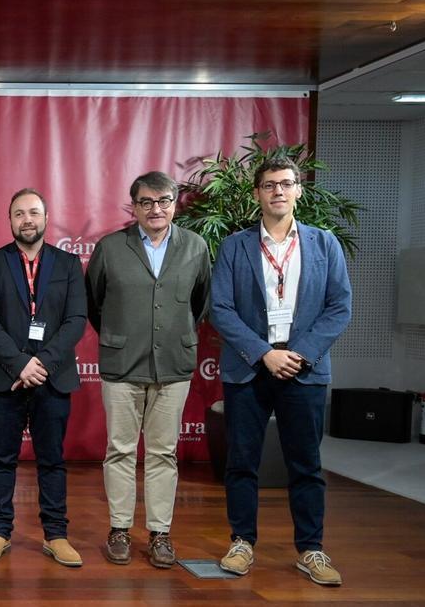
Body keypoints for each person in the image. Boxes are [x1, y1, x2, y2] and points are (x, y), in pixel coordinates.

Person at [210, 156, 352, 586]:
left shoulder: (324, 243)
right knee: (241, 463)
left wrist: (300, 353)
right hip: (249, 368)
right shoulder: (234, 246)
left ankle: (311, 549)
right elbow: (221, 308)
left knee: (306, 465)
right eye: (270, 185)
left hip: (304, 370)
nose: (278, 191)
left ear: (298, 191)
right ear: (257, 193)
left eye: (286, 184)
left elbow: (339, 306)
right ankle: (241, 542)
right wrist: (263, 354)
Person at [85, 171, 211, 568]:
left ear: (174, 204)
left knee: (163, 453)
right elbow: (94, 304)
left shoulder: (196, 246)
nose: (155, 209)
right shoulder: (110, 248)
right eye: (146, 202)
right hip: (122, 363)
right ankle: (119, 529)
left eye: (163, 201)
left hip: (173, 365)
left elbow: (200, 304)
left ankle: (160, 534)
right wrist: (123, 336)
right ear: (134, 207)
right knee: (120, 450)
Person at [0, 188, 87, 566]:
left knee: (52, 458)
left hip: (53, 377)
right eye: (19, 213)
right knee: (2, 457)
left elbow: (76, 320)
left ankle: (56, 534)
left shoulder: (69, 263)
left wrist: (42, 364)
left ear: (46, 218)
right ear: (9, 220)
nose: (27, 220)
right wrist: (20, 363)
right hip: (5, 376)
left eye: (33, 212)